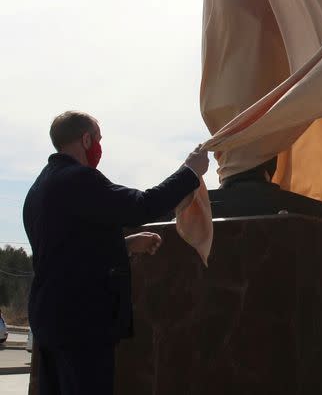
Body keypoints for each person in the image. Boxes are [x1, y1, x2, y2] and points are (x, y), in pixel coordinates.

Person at [23, 111, 209, 395]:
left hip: (51, 321)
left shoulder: (38, 189)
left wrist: (125, 245)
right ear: (85, 139)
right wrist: (190, 172)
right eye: (97, 138)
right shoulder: (79, 180)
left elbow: (66, 254)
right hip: (81, 325)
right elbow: (143, 205)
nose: (99, 146)